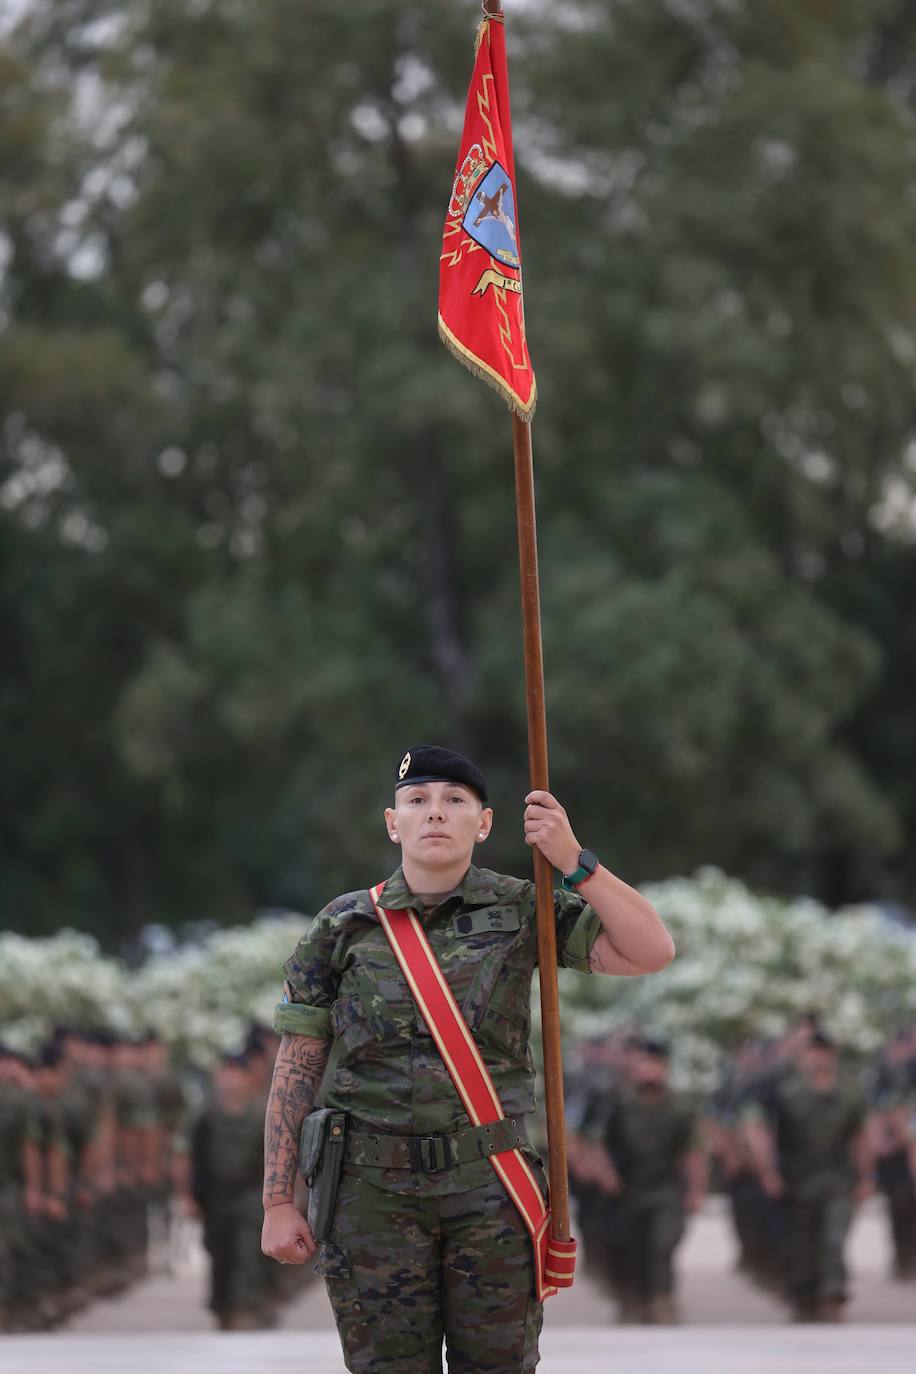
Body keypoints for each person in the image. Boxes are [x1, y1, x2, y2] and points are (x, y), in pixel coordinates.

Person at [261, 744, 674, 1374]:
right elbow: (296, 1068)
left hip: (489, 1188)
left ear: (483, 824)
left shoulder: (522, 907)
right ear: (391, 822)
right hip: (372, 1193)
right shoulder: (343, 925)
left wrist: (572, 861)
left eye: (455, 801)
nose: (435, 814)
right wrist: (277, 1201)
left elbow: (650, 950)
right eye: (417, 801)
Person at [744, 1030, 872, 1321]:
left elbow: (860, 1137)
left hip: (838, 1178)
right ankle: (803, 1296)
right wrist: (768, 1172)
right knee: (801, 1242)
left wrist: (866, 1177)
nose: (817, 1059)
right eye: (811, 1053)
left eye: (823, 1053)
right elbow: (762, 1132)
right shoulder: (782, 1092)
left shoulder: (850, 1093)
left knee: (834, 1238)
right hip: (796, 1180)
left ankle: (832, 1295)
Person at [588, 1037, 705, 1323]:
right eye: (642, 1063)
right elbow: (597, 1142)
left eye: (653, 1063)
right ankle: (633, 1301)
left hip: (666, 1190)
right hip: (628, 1190)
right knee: (631, 1248)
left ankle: (662, 1300)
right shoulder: (618, 1103)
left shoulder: (680, 1107)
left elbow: (693, 1151)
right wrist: (605, 1174)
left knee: (662, 1244)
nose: (647, 1070)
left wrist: (696, 1190)